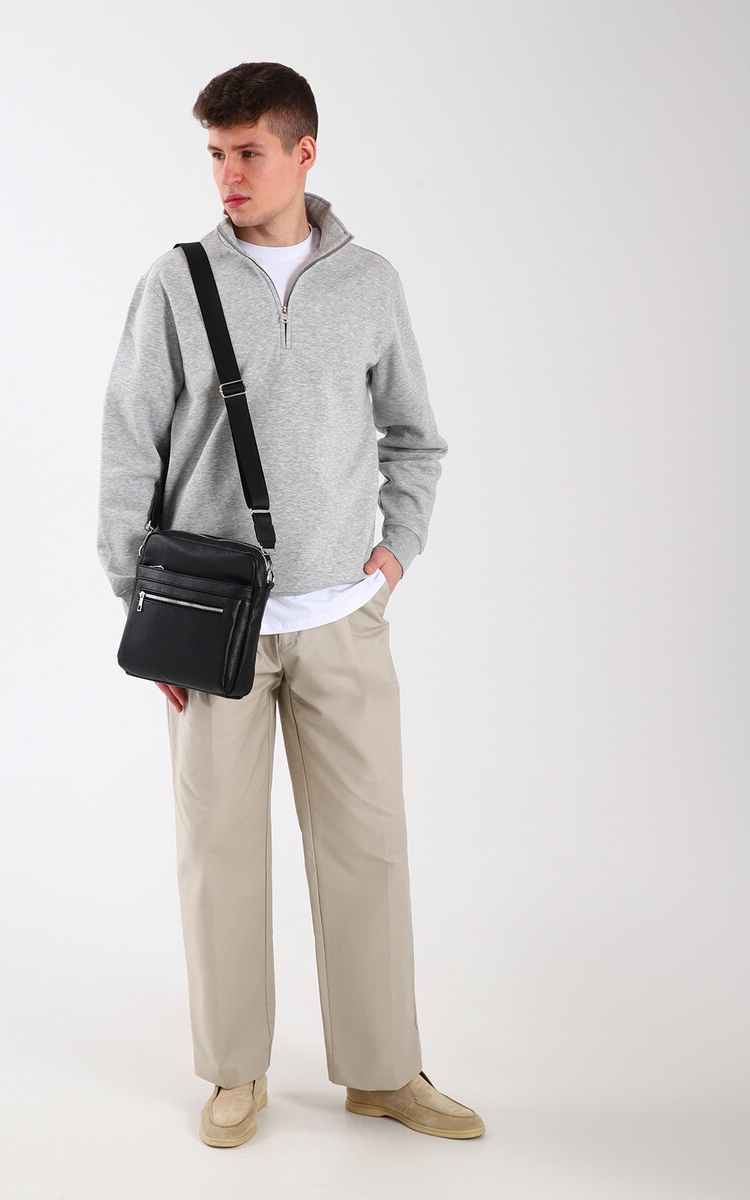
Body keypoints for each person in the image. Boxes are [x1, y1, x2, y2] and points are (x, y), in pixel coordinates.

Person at [97, 61, 484, 1147]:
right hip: (212, 628)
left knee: (370, 849)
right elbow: (127, 448)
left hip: (342, 618)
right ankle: (235, 1074)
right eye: (216, 155)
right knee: (220, 857)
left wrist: (394, 556)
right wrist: (142, 612)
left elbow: (416, 437)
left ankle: (383, 1072)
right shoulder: (176, 283)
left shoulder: (370, 284)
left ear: (304, 153)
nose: (229, 174)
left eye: (249, 153)